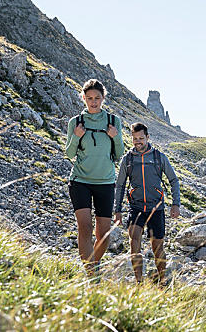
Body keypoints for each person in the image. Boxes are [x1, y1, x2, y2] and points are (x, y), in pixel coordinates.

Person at [65, 79, 124, 277]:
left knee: (104, 235)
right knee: (85, 226)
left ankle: (94, 265)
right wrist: (76, 136)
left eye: (97, 98)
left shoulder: (114, 122)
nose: (93, 102)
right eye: (89, 98)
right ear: (83, 98)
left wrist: (115, 136)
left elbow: (119, 154)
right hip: (80, 180)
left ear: (103, 98)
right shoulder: (76, 122)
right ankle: (91, 275)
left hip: (105, 182)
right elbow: (69, 153)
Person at [114, 122, 180, 284]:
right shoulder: (127, 159)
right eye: (135, 139)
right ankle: (139, 282)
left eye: (141, 138)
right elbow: (120, 185)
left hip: (156, 208)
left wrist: (175, 204)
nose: (138, 142)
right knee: (134, 240)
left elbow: (173, 180)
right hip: (135, 207)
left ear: (148, 137)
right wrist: (117, 210)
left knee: (157, 247)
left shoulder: (159, 157)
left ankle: (163, 281)